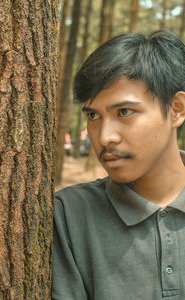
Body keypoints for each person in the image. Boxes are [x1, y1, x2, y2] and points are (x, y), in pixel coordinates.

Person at [52, 30, 185, 300]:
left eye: (124, 112)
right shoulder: (70, 215)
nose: (104, 137)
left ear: (177, 109)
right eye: (93, 116)